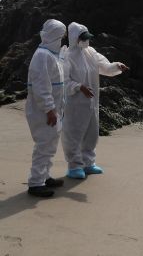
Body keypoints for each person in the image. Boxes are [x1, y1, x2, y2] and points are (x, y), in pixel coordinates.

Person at [62, 22, 129, 179]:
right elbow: (63, 81)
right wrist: (79, 87)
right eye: (83, 38)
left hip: (91, 102)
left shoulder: (91, 52)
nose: (87, 41)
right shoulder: (67, 56)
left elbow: (104, 66)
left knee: (91, 132)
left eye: (87, 38)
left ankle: (88, 163)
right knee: (74, 133)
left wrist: (117, 66)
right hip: (75, 103)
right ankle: (74, 166)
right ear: (74, 38)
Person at [25, 19, 67, 197]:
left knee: (50, 145)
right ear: (56, 35)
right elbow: (41, 87)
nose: (64, 38)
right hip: (44, 111)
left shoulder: (51, 54)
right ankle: (35, 183)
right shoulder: (42, 55)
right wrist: (49, 109)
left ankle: (45, 176)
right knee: (43, 145)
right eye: (62, 34)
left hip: (54, 109)